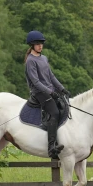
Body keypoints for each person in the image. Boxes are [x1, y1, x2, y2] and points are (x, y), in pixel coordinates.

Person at [24, 30, 69, 159]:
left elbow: (51, 76)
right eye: (38, 44)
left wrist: (62, 89)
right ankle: (51, 147)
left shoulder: (43, 58)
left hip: (49, 91)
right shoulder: (30, 61)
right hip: (39, 92)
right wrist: (50, 92)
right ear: (32, 45)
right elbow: (36, 82)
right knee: (54, 112)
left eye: (42, 43)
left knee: (64, 107)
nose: (40, 46)